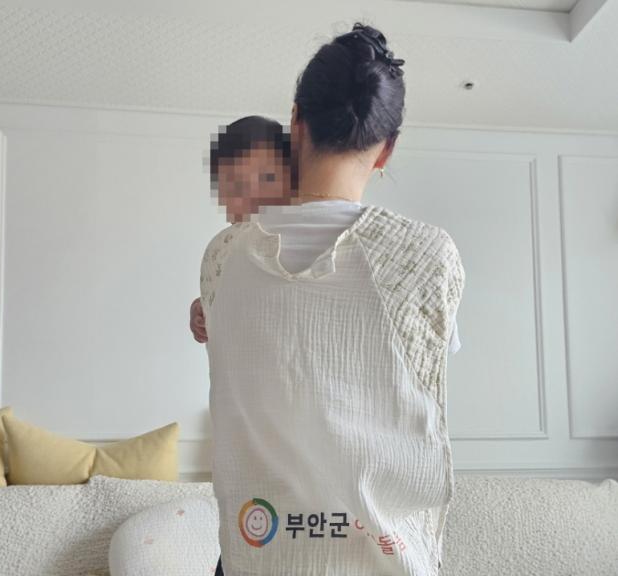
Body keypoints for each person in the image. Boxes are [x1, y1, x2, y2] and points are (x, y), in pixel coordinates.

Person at [196, 22, 465, 576]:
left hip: (258, 552)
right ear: (386, 149)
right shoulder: (427, 257)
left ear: (296, 121)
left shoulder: (223, 257)